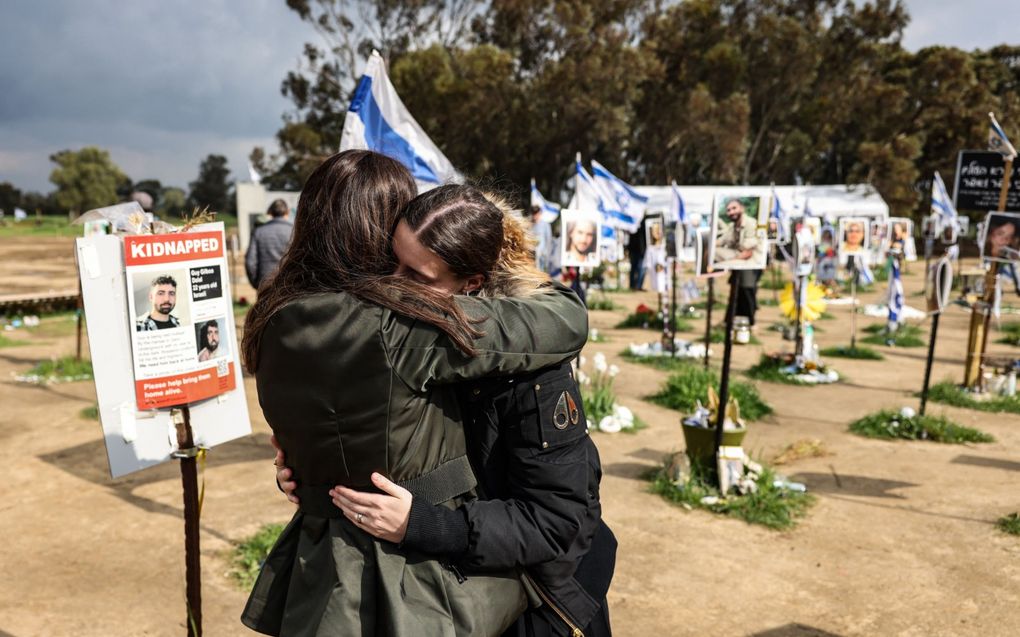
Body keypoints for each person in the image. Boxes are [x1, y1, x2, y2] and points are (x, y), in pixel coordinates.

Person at [240, 151, 588, 637]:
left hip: (318, 577)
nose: (400, 280)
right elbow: (565, 322)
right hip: (419, 588)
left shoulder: (271, 319)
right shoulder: (400, 323)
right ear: (381, 231)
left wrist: (302, 471)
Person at [245, 198, 293, 289]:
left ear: (270, 213)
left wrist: (256, 283)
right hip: (289, 283)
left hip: (265, 283)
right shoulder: (294, 231)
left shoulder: (258, 232)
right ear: (287, 212)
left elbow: (250, 262)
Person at [713, 198, 759, 266]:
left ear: (742, 209)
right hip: (737, 253)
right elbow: (721, 241)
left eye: (734, 208)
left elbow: (748, 253)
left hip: (750, 259)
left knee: (719, 265)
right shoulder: (732, 226)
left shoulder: (750, 223)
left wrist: (729, 261)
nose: (731, 212)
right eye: (728, 210)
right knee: (712, 251)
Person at [529, 205, 554, 273]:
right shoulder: (530, 224)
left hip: (542, 255)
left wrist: (547, 254)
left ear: (540, 213)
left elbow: (549, 240)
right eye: (533, 213)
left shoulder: (545, 225)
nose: (535, 215)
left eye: (536, 213)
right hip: (532, 254)